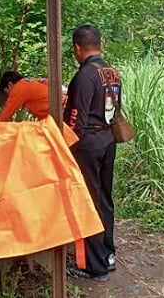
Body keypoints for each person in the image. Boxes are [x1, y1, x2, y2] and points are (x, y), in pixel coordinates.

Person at [64, 24, 121, 282]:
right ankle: (107, 254)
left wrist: (67, 149)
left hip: (88, 145)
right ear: (100, 44)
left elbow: (76, 119)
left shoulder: (84, 76)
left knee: (90, 202)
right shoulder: (111, 72)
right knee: (104, 199)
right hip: (108, 140)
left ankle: (95, 266)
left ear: (77, 48)